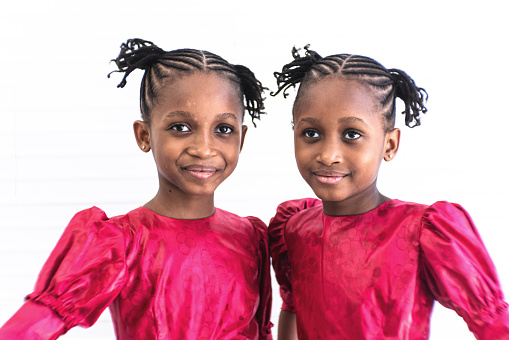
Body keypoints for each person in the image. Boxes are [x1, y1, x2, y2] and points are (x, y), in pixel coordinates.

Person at [0, 38, 272, 340]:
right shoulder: (121, 242)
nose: (204, 148)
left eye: (223, 130)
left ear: (241, 139)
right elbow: (33, 326)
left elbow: (260, 331)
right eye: (180, 127)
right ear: (144, 135)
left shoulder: (250, 237)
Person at [268, 45, 509, 340]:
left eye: (351, 135)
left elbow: (493, 323)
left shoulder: (422, 231)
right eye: (311, 133)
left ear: (390, 145)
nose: (329, 155)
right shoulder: (294, 228)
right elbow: (292, 308)